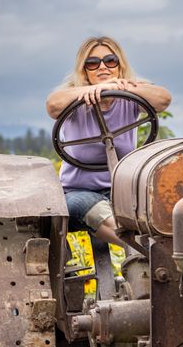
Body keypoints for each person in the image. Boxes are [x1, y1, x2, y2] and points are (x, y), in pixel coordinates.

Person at [46, 35, 171, 246]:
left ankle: (165, 249)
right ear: (84, 71)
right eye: (93, 63)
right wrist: (91, 90)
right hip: (77, 192)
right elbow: (53, 105)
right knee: (87, 206)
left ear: (120, 66)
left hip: (122, 190)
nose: (102, 67)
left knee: (162, 206)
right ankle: (146, 254)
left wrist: (119, 87)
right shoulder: (73, 98)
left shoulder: (129, 97)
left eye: (110, 61)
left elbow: (163, 98)